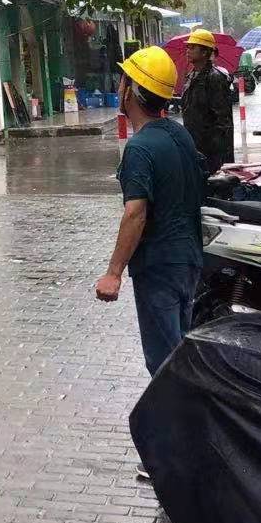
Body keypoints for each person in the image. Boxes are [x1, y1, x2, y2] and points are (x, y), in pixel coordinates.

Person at [96, 47, 207, 376]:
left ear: (130, 91)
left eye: (123, 81)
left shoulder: (140, 148)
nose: (119, 87)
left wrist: (113, 273)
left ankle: (181, 411)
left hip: (159, 267)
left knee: (164, 363)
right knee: (179, 352)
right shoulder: (180, 134)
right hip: (189, 260)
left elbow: (136, 213)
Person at [179, 29, 234, 172]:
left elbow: (223, 121)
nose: (188, 50)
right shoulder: (191, 76)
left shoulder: (215, 78)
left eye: (192, 47)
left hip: (211, 152)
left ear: (204, 52)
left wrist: (220, 157)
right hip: (194, 145)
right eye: (188, 47)